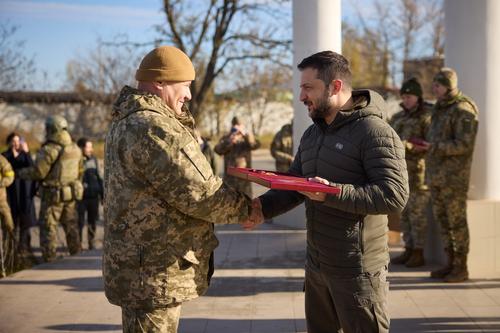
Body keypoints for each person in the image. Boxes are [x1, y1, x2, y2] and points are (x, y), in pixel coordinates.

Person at [247, 51, 409, 333]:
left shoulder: (374, 131)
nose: (301, 97)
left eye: (308, 87)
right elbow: (297, 183)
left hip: (358, 272)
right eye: (301, 88)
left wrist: (333, 193)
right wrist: (262, 208)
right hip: (317, 266)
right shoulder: (313, 134)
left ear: (335, 87)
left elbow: (394, 194)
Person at [102, 45, 259, 333]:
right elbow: (200, 193)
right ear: (160, 82)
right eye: (184, 85)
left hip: (142, 268)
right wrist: (251, 209)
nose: (188, 94)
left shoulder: (128, 120)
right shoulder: (154, 127)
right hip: (152, 272)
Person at [416, 68, 479, 283]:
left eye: (438, 85)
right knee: (443, 222)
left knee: (456, 223)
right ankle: (449, 263)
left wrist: (433, 147)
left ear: (449, 86)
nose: (434, 88)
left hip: (453, 178)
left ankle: (461, 268)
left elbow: (464, 144)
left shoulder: (462, 109)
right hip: (435, 176)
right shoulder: (440, 109)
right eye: (434, 84)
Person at [18, 115, 83, 262]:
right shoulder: (75, 148)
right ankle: (78, 258)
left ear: (52, 129)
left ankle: (50, 262)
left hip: (52, 196)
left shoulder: (49, 150)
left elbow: (38, 172)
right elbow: (80, 172)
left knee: (48, 230)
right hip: (71, 195)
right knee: (72, 229)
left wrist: (19, 173)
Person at [389, 78, 432, 267]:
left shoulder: (426, 116)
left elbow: (429, 145)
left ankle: (418, 252)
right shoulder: (398, 117)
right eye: (404, 96)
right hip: (400, 173)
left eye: (410, 96)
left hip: (418, 174)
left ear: (418, 97)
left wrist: (406, 145)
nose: (406, 100)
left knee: (417, 215)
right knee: (404, 214)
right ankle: (408, 249)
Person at [2, 133, 38, 267]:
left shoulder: (25, 155)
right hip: (11, 193)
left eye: (18, 141)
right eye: (13, 141)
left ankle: (25, 248)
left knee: (26, 222)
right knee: (12, 222)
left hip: (25, 193)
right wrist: (12, 155)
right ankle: (12, 250)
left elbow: (32, 167)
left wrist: (27, 152)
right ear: (9, 142)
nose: (16, 143)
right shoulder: (6, 156)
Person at [214, 116, 260, 197]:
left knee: (247, 203)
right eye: (235, 125)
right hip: (229, 179)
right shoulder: (227, 137)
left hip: (245, 179)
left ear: (243, 126)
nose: (237, 127)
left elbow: (255, 145)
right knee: (229, 204)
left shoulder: (247, 137)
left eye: (239, 125)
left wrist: (246, 135)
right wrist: (229, 141)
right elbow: (217, 150)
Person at [76, 138, 103, 250]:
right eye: (88, 147)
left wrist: (102, 194)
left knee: (92, 221)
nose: (90, 149)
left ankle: (91, 243)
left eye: (91, 147)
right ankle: (79, 245)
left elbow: (99, 178)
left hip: (93, 197)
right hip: (81, 198)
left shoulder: (94, 160)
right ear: (81, 148)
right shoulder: (76, 161)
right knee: (80, 222)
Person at [0, 154, 15, 277]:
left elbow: (10, 175)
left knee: (9, 224)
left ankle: (9, 259)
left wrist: (1, 183)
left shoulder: (1, 159)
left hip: (1, 201)